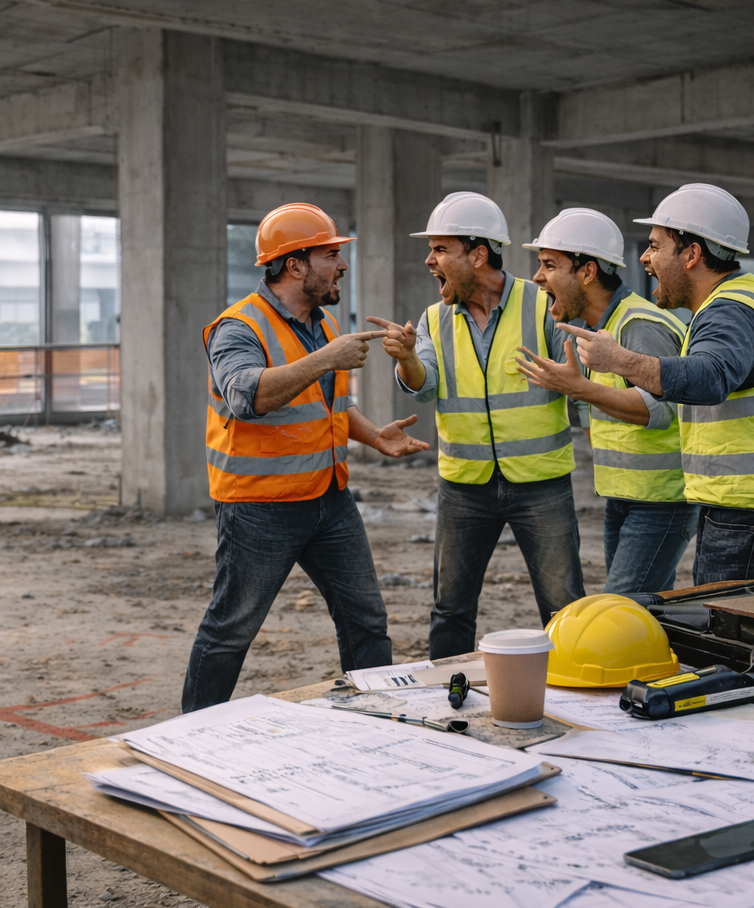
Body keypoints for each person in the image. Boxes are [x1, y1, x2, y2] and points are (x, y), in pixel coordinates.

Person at [183, 203, 429, 713]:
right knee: (231, 630)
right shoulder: (238, 327)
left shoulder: (321, 324)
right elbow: (244, 394)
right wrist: (328, 356)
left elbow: (328, 404)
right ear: (294, 265)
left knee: (365, 620)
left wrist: (372, 436)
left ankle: (379, 721)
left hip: (329, 500)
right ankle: (192, 735)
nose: (341, 265)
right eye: (331, 255)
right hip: (260, 509)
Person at [561, 183, 754, 584]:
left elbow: (710, 377)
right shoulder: (740, 302)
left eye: (656, 246)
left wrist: (620, 360)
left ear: (693, 254)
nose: (644, 257)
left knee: (738, 641)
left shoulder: (730, 310)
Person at [370, 192, 585, 660]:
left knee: (564, 609)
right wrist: (407, 358)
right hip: (465, 488)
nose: (429, 260)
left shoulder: (540, 304)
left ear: (478, 254)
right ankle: (445, 696)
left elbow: (581, 375)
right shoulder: (433, 318)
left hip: (541, 484)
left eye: (440, 249)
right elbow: (423, 385)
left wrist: (577, 381)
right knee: (450, 610)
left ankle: (577, 694)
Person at [512, 208, 692, 594]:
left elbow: (661, 409)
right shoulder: (599, 328)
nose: (538, 278)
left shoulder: (639, 325)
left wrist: (580, 389)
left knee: (618, 610)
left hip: (660, 501)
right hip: (625, 497)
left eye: (549, 265)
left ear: (588, 272)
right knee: (648, 613)